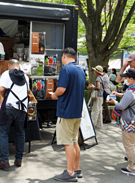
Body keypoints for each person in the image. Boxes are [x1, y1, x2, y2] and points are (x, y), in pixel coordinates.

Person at [51, 47, 85, 182]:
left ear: (64, 56)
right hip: (77, 111)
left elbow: (61, 89)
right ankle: (76, 169)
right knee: (74, 141)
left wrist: (54, 95)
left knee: (67, 143)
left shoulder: (66, 69)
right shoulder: (80, 69)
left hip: (66, 111)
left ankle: (70, 173)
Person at [108, 69, 135, 176]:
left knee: (129, 145)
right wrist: (119, 94)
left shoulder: (131, 91)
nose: (124, 79)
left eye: (126, 77)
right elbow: (130, 98)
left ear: (131, 79)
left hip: (129, 122)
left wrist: (114, 101)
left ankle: (133, 168)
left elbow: (121, 106)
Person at [0, 59, 29, 170]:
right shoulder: (26, 77)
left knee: (4, 132)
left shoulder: (6, 74)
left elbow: (1, 89)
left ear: (9, 66)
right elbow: (27, 91)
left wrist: (4, 97)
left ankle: (4, 161)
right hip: (22, 108)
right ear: (18, 67)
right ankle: (19, 160)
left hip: (9, 107)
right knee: (20, 133)